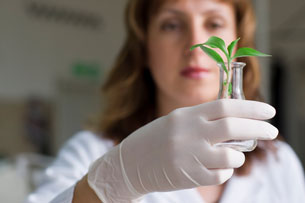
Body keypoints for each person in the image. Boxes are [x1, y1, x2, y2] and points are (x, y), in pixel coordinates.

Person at [26, 0, 305, 202]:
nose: (197, 44)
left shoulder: (278, 163)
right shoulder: (91, 151)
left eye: (214, 23)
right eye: (171, 25)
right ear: (145, 48)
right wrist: (115, 182)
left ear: (238, 45)